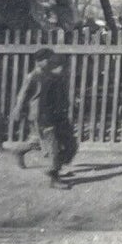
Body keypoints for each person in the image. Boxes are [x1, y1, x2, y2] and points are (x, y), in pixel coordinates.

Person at [7, 47, 77, 187]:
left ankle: (19, 151)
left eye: (51, 59)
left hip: (53, 114)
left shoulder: (51, 75)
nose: (50, 62)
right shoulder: (33, 76)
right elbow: (23, 95)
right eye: (47, 60)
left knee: (41, 141)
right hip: (40, 115)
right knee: (52, 145)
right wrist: (18, 110)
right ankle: (54, 177)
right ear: (39, 61)